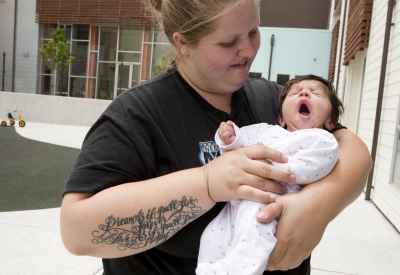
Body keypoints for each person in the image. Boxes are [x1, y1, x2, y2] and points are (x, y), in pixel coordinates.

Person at [59, 0, 372, 274]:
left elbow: (352, 147)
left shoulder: (271, 100)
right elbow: (76, 231)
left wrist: (320, 204)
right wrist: (207, 184)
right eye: (228, 42)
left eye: (253, 32)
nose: (248, 51)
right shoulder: (138, 115)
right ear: (183, 42)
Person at [196, 75, 343, 275]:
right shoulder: (263, 130)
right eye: (295, 93)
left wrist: (269, 166)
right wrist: (229, 137)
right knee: (212, 236)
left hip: (272, 199)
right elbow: (240, 143)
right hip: (236, 202)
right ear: (281, 118)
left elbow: (313, 167)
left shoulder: (322, 140)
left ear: (331, 121)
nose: (304, 92)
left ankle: (239, 271)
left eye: (316, 93)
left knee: (255, 229)